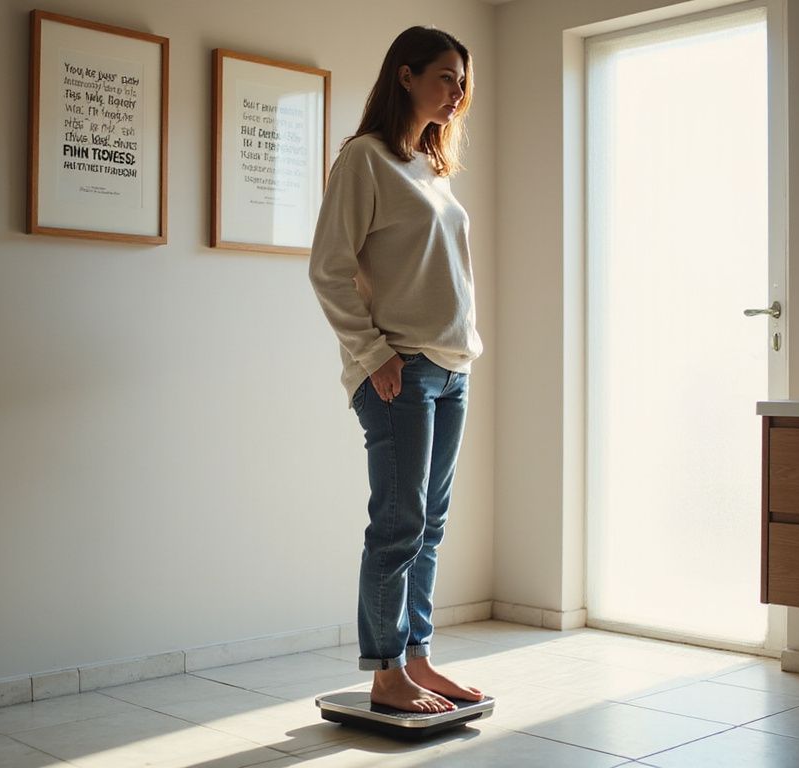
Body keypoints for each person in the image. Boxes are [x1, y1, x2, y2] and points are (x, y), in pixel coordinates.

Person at [308, 26, 485, 715]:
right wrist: (373, 353)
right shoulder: (365, 160)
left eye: (462, 81)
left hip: (450, 366)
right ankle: (384, 672)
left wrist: (464, 344)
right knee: (397, 524)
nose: (457, 92)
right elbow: (328, 267)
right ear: (405, 76)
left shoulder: (431, 167)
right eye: (446, 77)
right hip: (399, 370)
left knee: (429, 523)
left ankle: (418, 658)